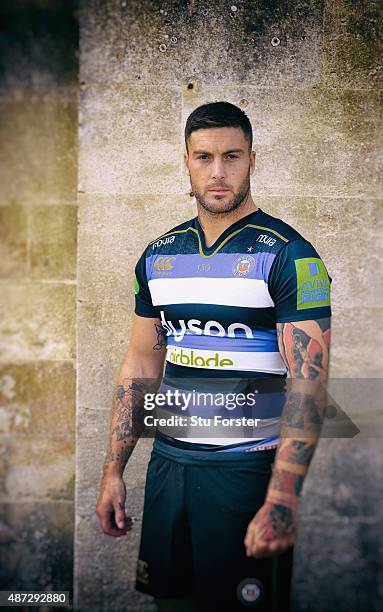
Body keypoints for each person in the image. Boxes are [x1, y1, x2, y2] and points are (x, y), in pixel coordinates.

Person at [96, 102, 332, 611]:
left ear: (252, 160)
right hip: (169, 469)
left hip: (245, 476)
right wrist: (113, 471)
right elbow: (140, 366)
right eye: (204, 157)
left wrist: (283, 497)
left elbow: (309, 384)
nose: (218, 171)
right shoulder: (158, 256)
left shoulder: (290, 255)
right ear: (186, 161)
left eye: (232, 156)